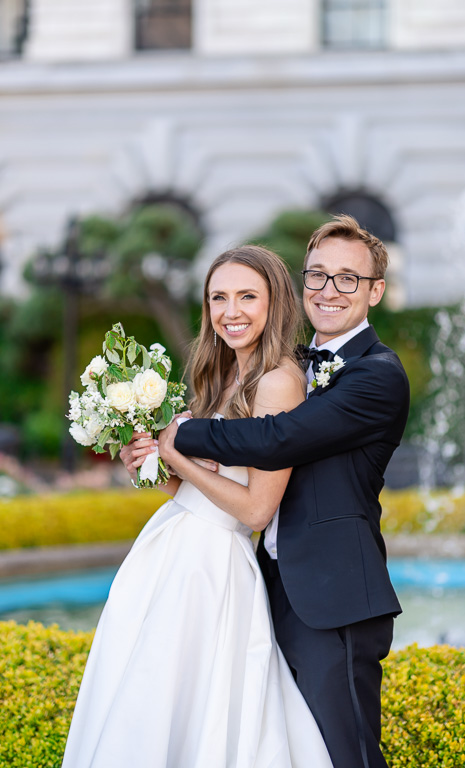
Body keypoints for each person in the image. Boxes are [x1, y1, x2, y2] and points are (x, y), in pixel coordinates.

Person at [61, 245, 334, 768]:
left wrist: (175, 455)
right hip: (172, 550)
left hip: (213, 570)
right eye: (219, 298)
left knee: (195, 707)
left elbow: (255, 511)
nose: (231, 311)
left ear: (275, 302)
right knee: (148, 698)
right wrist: (148, 464)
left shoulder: (279, 383)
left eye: (247, 296)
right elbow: (196, 490)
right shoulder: (219, 376)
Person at [159, 215, 410, 768]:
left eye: (348, 279)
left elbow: (276, 438)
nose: (329, 290)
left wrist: (177, 434)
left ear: (376, 292)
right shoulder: (290, 365)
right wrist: (158, 453)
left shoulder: (378, 375)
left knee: (346, 754)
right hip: (266, 588)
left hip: (336, 597)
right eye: (317, 275)